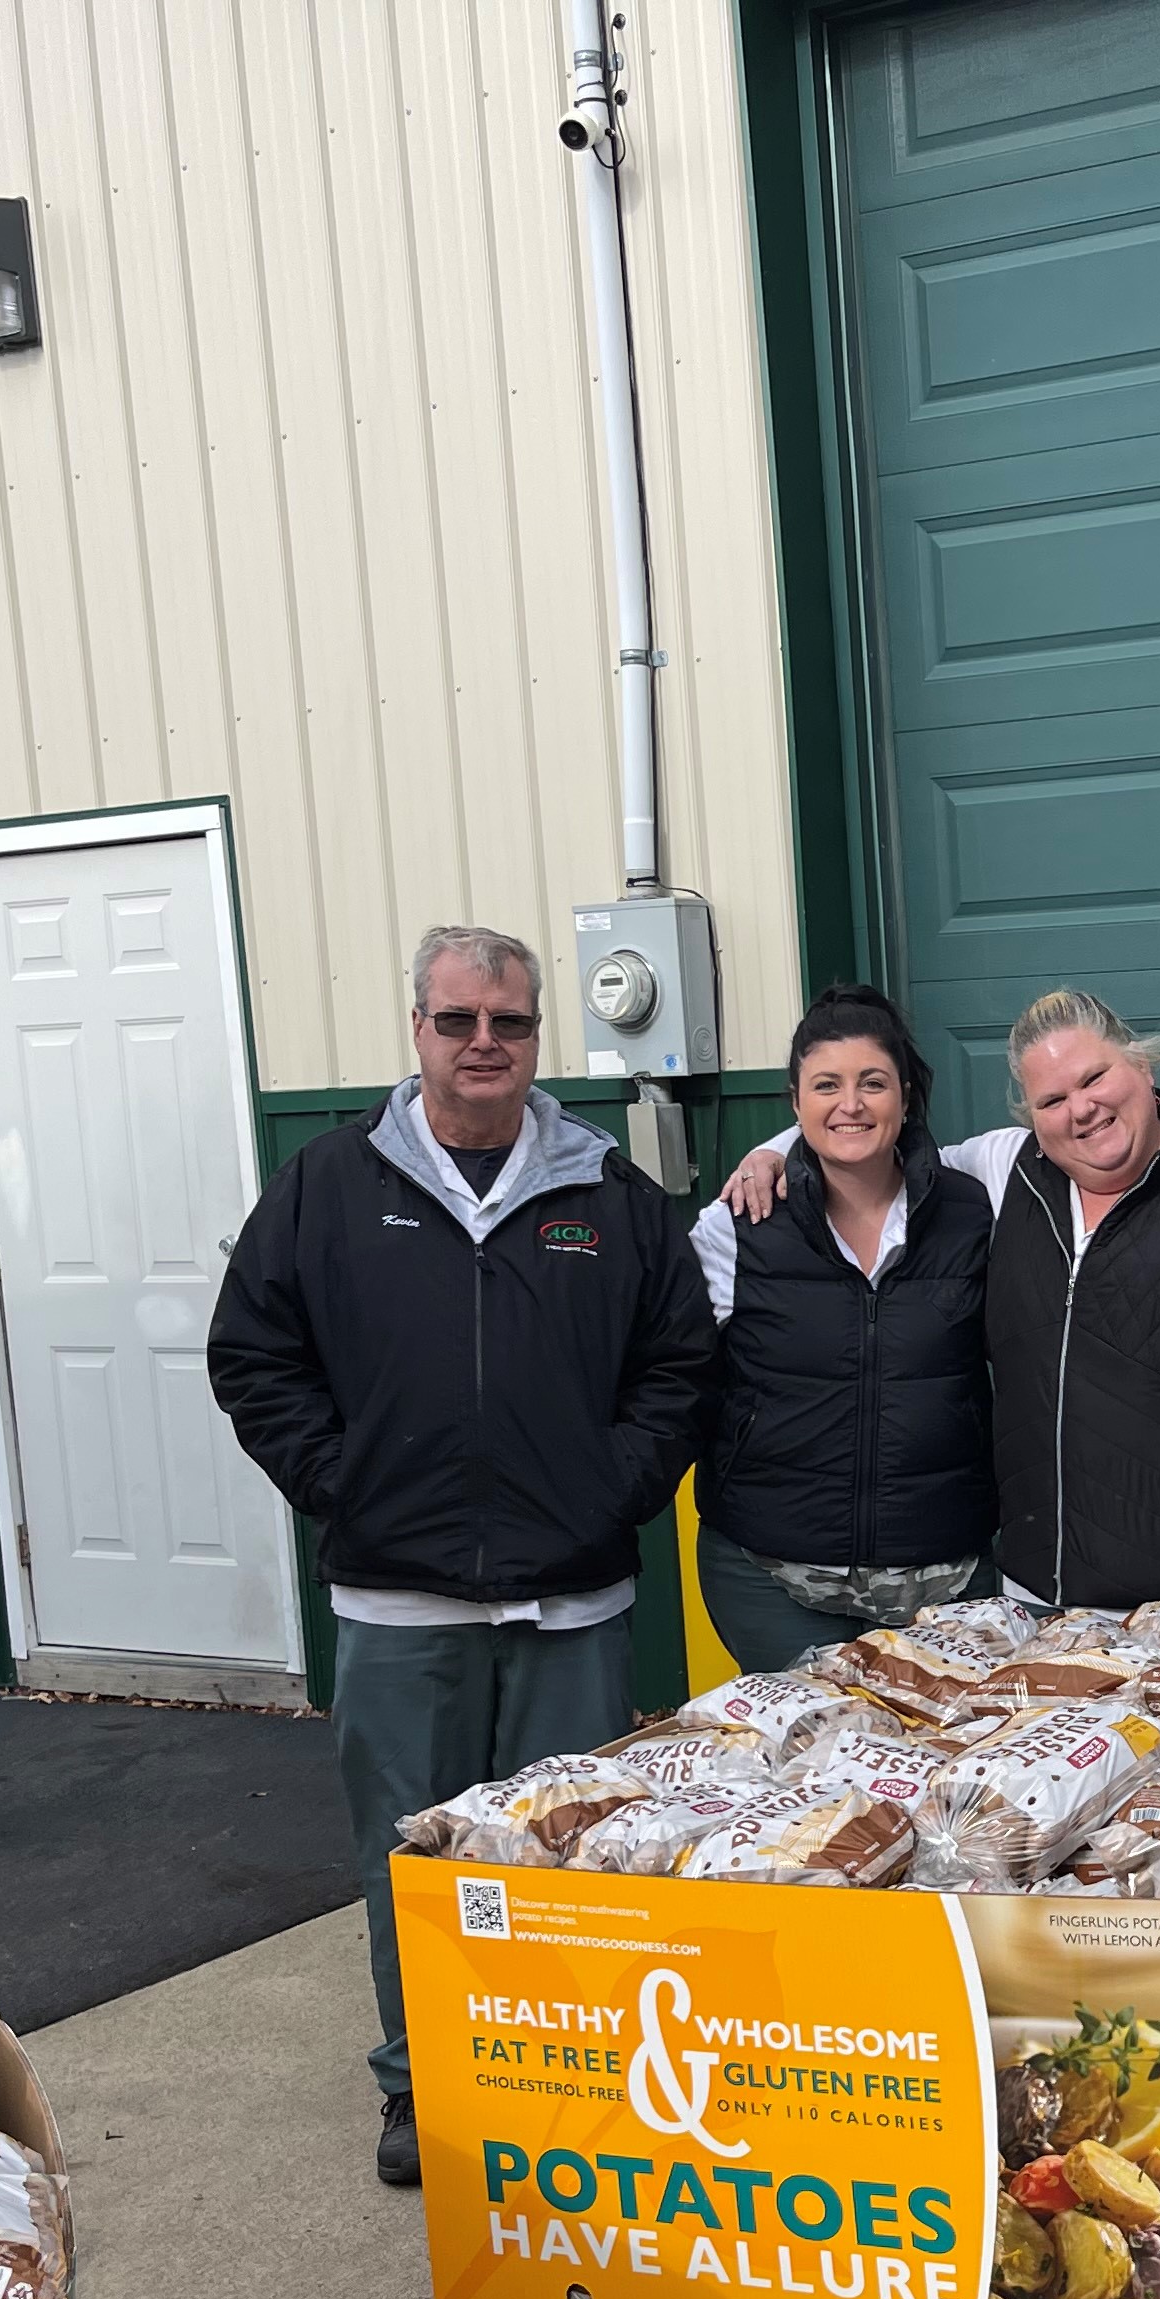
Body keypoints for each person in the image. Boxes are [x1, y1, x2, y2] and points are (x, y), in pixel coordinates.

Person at [209, 923, 718, 2186]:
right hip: (398, 1602)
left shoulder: (613, 1198)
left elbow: (680, 1369)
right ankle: (423, 2083)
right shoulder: (327, 1189)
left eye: (510, 1022)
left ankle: (565, 2077)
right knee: (415, 1863)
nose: (484, 1044)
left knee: (570, 1853)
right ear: (418, 1029)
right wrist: (345, 1483)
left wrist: (611, 1490)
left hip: (573, 1600)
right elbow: (253, 1357)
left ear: (539, 1034)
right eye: (458, 1021)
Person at [719, 990, 1160, 1616]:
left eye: (1095, 1077)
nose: (1082, 1109)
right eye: (1052, 1100)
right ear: (1031, 1118)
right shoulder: (1003, 1172)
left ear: (1144, 1065)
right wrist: (775, 1151)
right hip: (1038, 1597)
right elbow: (870, 1147)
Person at [687, 985, 996, 1674]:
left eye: (872, 1083)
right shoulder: (738, 1228)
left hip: (950, 1579)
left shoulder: (976, 1206)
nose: (850, 1104)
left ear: (908, 1096)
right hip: (770, 1575)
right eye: (826, 1085)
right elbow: (666, 1368)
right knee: (809, 1773)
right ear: (795, 1103)